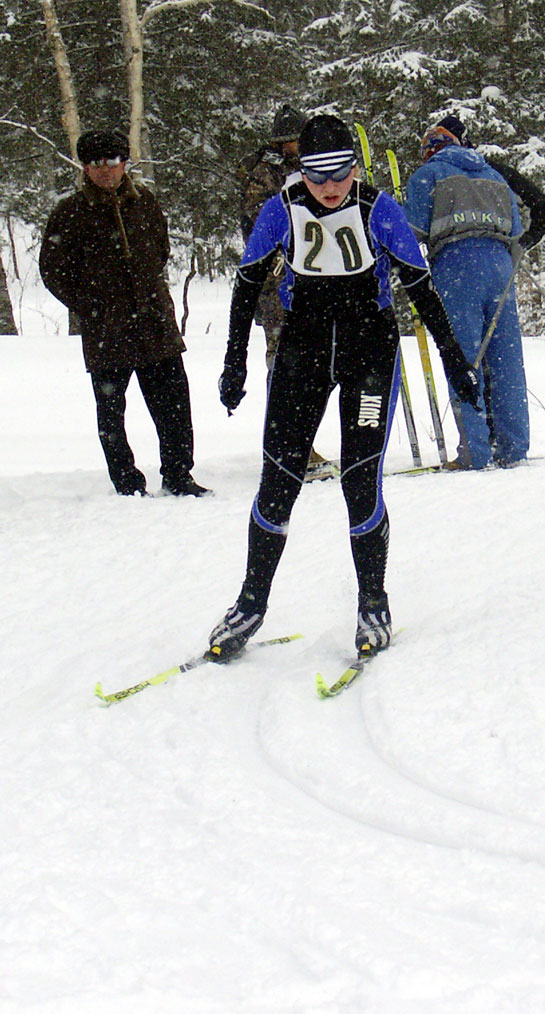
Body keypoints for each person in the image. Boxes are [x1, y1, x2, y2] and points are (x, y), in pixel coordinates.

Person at [206, 114, 479, 662]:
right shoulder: (280, 209)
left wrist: (453, 359)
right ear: (299, 171)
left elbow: (420, 287)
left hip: (368, 355)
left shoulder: (379, 209)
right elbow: (245, 285)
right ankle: (251, 603)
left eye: (339, 173)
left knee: (360, 480)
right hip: (301, 352)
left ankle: (373, 602)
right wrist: (234, 362)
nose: (329, 188)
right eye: (316, 174)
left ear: (355, 166)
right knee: (278, 481)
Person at [39, 128, 211, 497]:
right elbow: (53, 269)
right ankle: (127, 481)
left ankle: (179, 475)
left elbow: (160, 250)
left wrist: (146, 291)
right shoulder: (70, 212)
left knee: (175, 407)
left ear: (125, 164)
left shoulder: (145, 201)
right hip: (107, 330)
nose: (105, 170)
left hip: (155, 324)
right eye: (96, 163)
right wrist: (90, 305)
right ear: (85, 169)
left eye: (112, 162)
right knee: (112, 411)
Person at [403, 114, 545, 470]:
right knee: (505, 359)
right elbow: (517, 227)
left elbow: (412, 233)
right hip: (501, 265)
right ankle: (514, 448)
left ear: (430, 150)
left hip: (457, 266)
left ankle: (475, 452)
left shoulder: (428, 175)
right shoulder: (494, 175)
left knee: (463, 358)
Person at [237, 104, 333, 481]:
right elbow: (258, 220)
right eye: (292, 141)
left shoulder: (313, 169)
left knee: (311, 364)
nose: (297, 146)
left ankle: (300, 441)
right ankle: (286, 445)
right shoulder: (266, 173)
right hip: (277, 280)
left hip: (312, 279)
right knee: (284, 363)